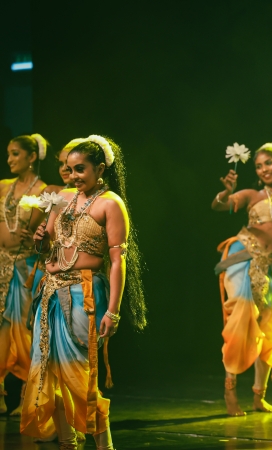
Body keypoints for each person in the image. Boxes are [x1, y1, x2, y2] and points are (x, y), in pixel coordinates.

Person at [22, 135, 147, 450]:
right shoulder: (62, 198)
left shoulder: (110, 204)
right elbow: (49, 247)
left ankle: (104, 446)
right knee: (49, 371)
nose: (73, 175)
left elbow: (117, 262)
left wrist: (113, 311)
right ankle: (68, 442)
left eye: (81, 169)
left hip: (85, 292)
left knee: (79, 371)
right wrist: (41, 240)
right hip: (51, 291)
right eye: (69, 168)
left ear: (100, 169)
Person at [212, 143, 272, 415]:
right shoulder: (252, 195)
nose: (263, 169)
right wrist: (226, 192)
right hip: (242, 256)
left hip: (271, 267)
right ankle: (230, 390)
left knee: (269, 330)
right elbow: (219, 206)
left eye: (268, 163)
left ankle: (259, 396)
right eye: (258, 166)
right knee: (241, 316)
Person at [0, 134, 48, 415]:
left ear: (31, 157)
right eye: (8, 154)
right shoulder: (3, 186)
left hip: (25, 266)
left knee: (23, 330)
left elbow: (48, 233)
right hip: (1, 264)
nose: (9, 159)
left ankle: (27, 398)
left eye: (15, 153)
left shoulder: (44, 191)